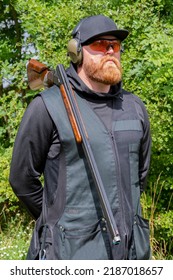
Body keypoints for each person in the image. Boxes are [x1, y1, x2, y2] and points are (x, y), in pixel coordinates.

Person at [9, 14, 151, 260]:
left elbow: (140, 178)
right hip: (70, 256)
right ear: (77, 53)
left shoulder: (135, 107)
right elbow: (22, 179)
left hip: (133, 254)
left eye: (114, 46)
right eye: (99, 44)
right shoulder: (47, 106)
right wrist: (57, 218)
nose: (109, 51)